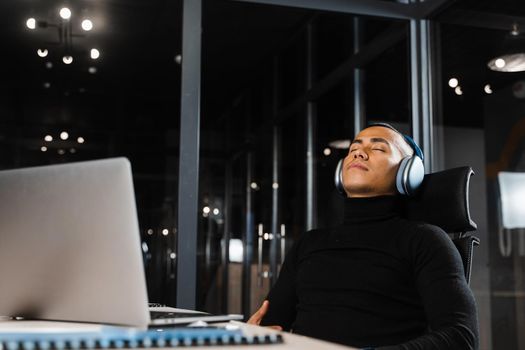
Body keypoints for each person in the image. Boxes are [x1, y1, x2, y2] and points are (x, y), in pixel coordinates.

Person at [247, 124, 479, 349]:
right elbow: (270, 326)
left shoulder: (425, 241)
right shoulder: (309, 243)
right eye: (353, 148)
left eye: (378, 148)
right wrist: (252, 338)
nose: (359, 152)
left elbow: (460, 337)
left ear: (410, 172)